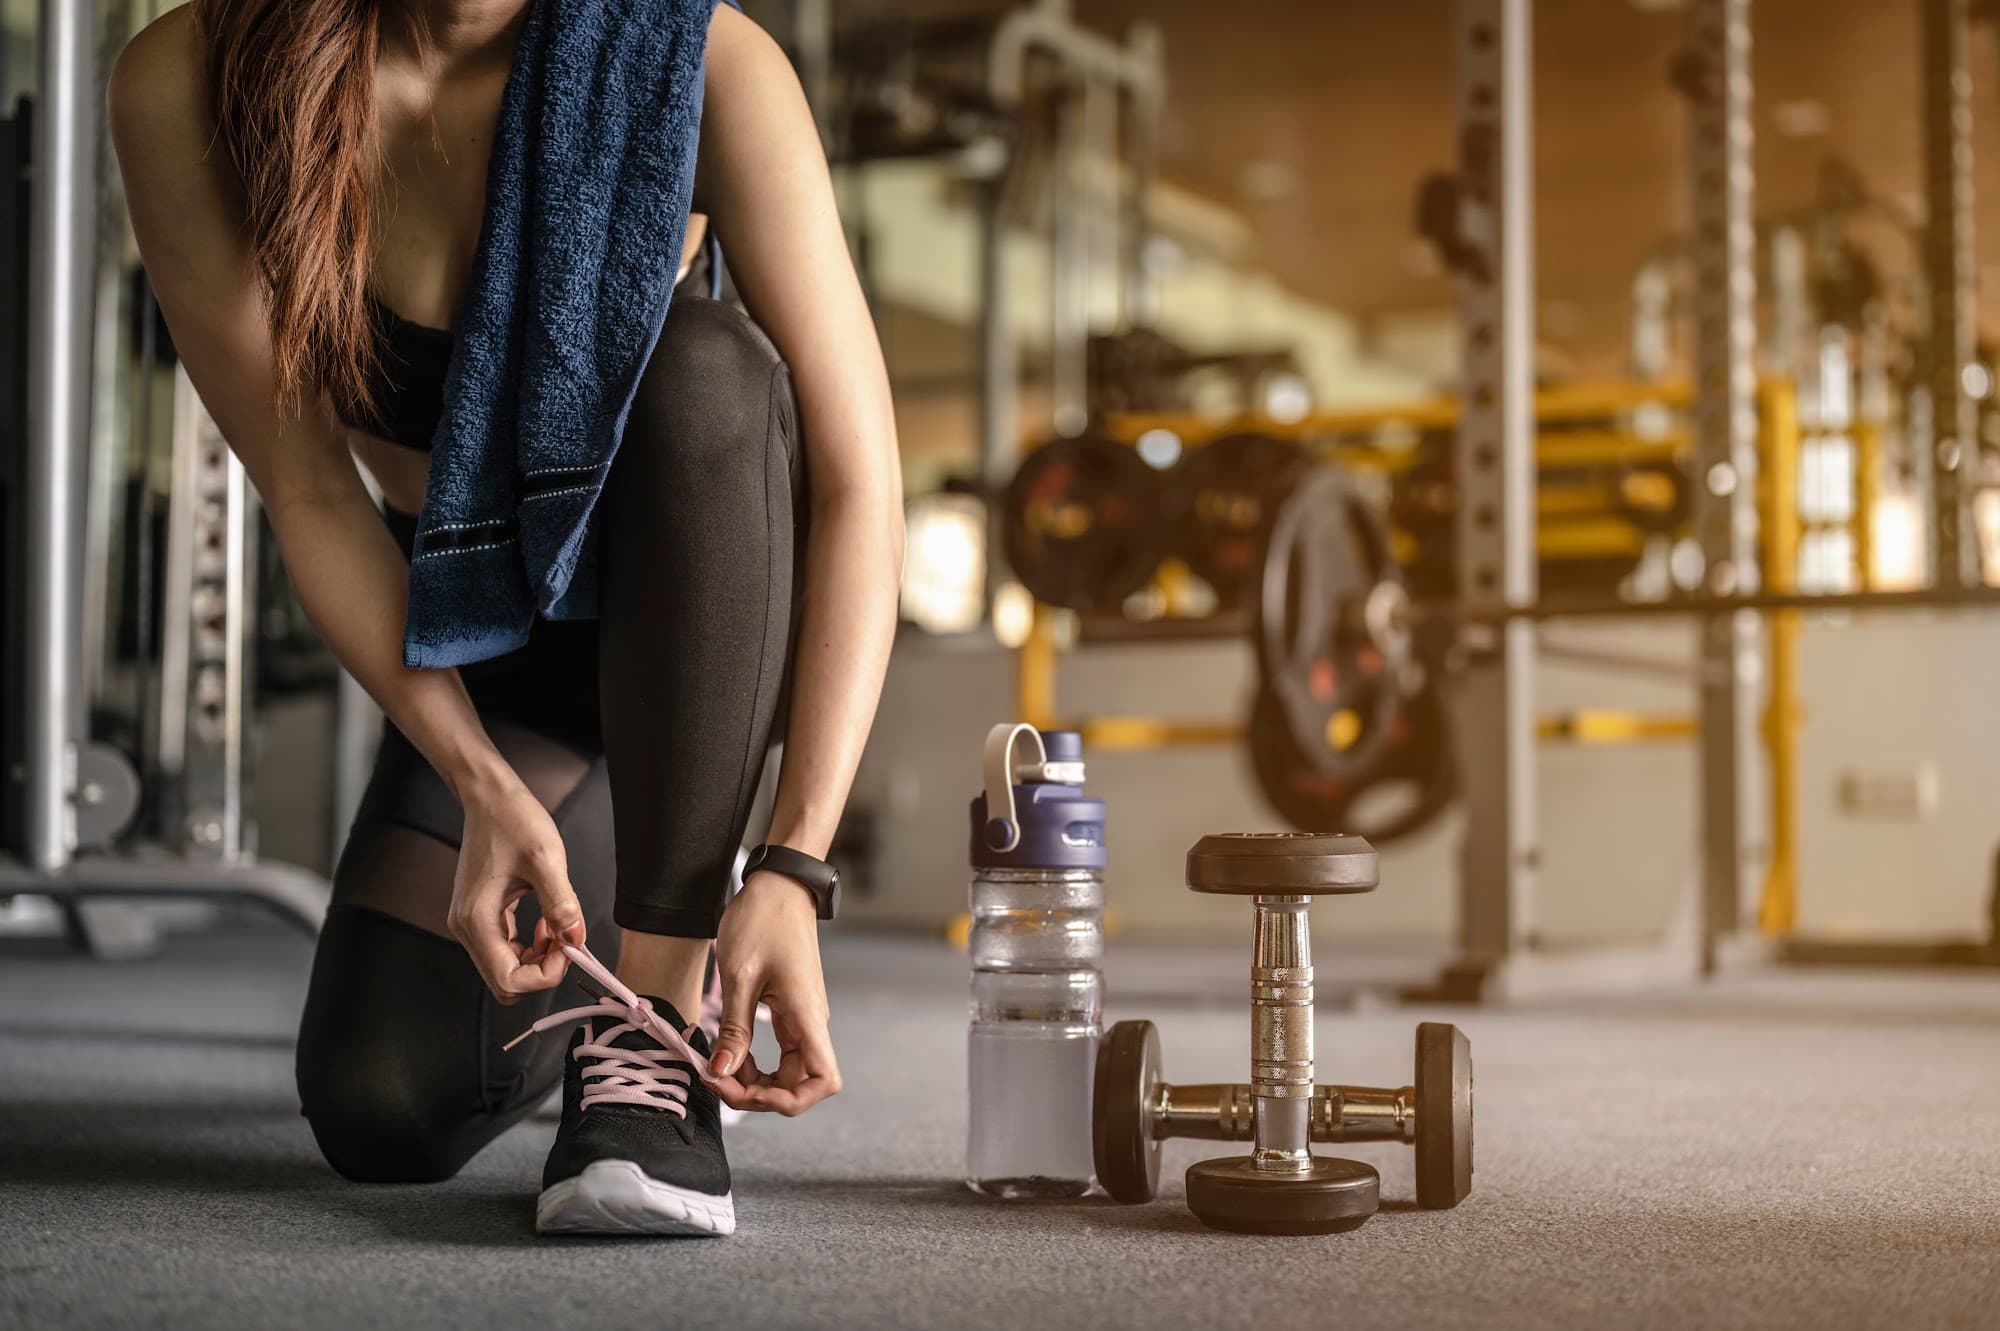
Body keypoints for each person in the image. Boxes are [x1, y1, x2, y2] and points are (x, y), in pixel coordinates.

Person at [107, 0, 903, 1236]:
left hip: (699, 627)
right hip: (487, 654)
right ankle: (619, 917)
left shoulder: (704, 61)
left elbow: (860, 486)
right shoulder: (191, 81)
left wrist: (797, 861)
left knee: (705, 374)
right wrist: (476, 780)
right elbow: (312, 491)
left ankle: (654, 1017)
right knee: (382, 1104)